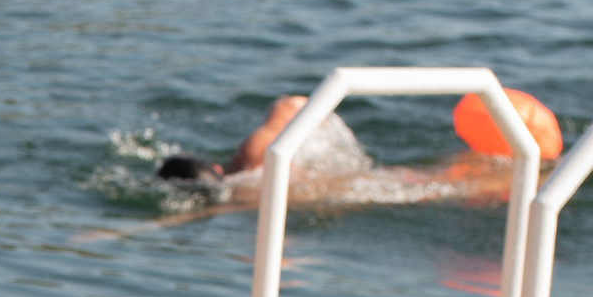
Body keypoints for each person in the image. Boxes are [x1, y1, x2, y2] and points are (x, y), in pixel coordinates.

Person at [156, 86, 563, 211]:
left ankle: (516, 169)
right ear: (212, 163)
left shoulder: (248, 195)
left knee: (442, 183)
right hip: (343, 179)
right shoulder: (257, 151)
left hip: (348, 189)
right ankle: (519, 165)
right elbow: (291, 103)